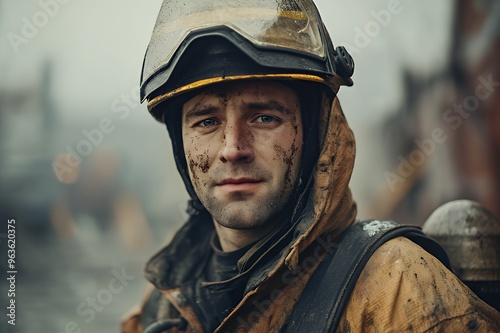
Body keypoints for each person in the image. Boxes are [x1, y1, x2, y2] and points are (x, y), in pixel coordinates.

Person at [122, 0, 500, 332]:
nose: (232, 148)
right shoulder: (164, 302)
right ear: (179, 142)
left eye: (264, 118)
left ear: (316, 135)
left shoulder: (399, 291)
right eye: (206, 121)